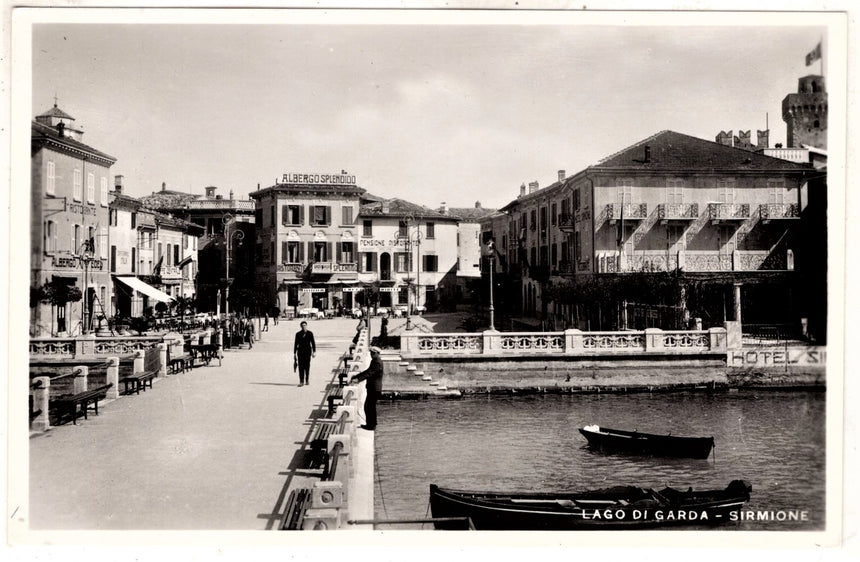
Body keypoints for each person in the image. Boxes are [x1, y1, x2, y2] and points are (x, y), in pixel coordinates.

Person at [349, 346, 383, 430]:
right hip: (373, 388)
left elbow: (370, 373)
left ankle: (371, 425)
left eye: (373, 353)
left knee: (369, 406)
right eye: (371, 353)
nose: (371, 355)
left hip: (374, 388)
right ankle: (372, 424)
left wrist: (358, 380)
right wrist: (356, 376)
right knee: (370, 406)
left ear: (377, 354)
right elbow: (367, 371)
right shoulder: (375, 361)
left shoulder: (377, 362)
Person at [293, 321, 316, 387]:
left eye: (305, 325)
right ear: (301, 326)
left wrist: (314, 352)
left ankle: (307, 379)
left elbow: (313, 343)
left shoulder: (310, 333)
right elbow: (295, 344)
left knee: (307, 366)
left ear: (306, 325)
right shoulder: (298, 334)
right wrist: (294, 353)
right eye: (302, 325)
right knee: (300, 367)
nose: (304, 326)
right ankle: (301, 381)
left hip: (308, 352)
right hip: (300, 352)